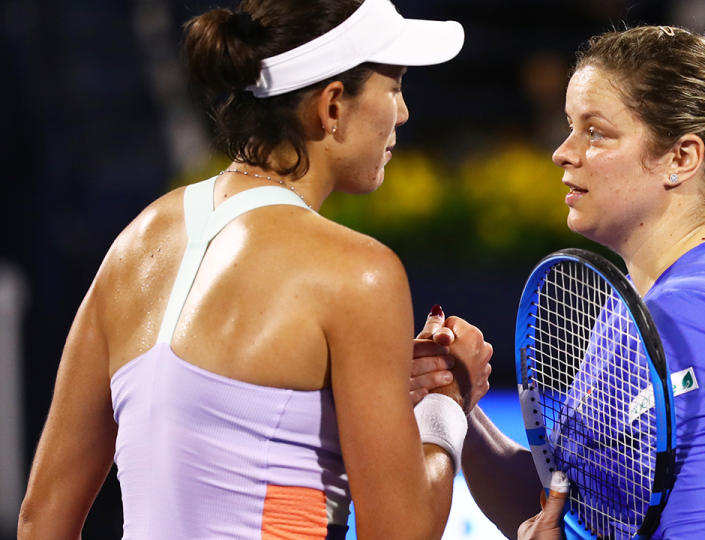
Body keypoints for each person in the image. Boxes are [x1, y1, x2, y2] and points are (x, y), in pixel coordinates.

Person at [17, 1, 494, 538]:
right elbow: (402, 532)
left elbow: (42, 519)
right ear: (333, 105)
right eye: (395, 86)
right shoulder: (358, 274)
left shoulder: (137, 242)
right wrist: (445, 406)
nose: (403, 113)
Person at [417, 25, 705, 539]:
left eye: (595, 132)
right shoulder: (655, 297)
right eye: (570, 127)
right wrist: (459, 406)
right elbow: (568, 512)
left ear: (680, 158)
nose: (563, 152)